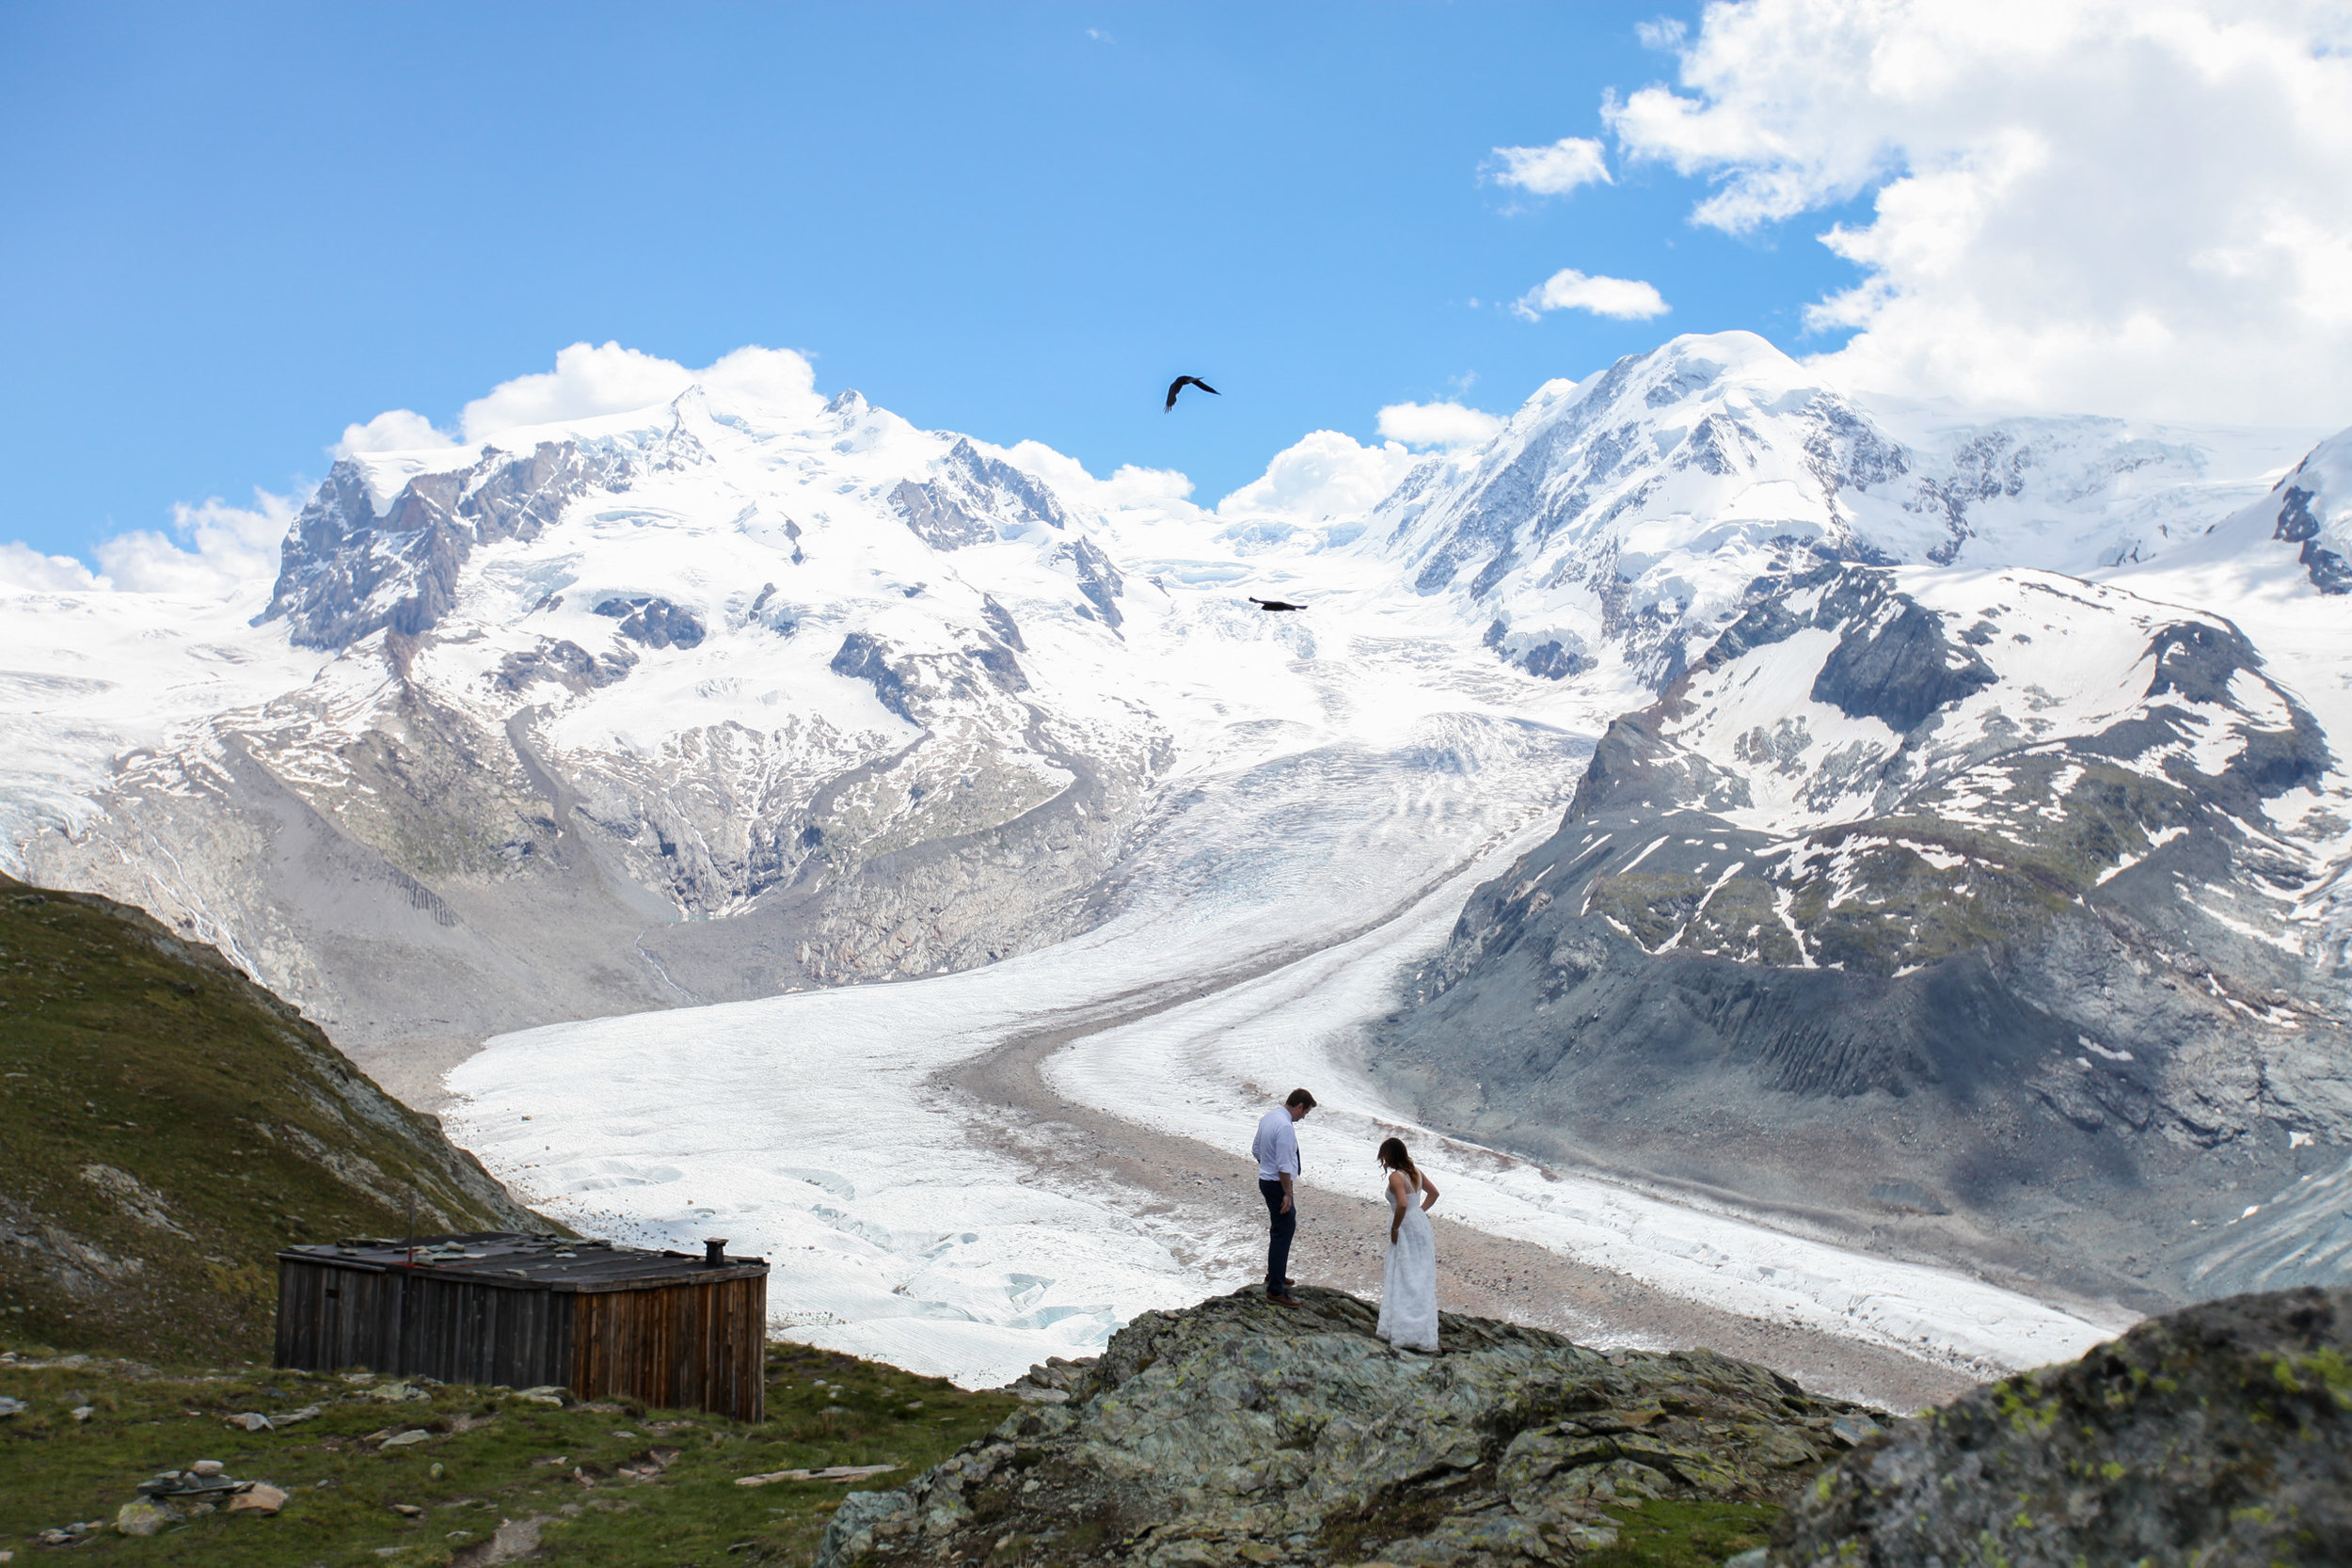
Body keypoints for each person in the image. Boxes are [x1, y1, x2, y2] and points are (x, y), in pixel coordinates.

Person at [1375, 1135, 1440, 1353]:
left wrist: (1395, 1228)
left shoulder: (1396, 1177)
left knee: (1402, 1274)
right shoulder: (1416, 1172)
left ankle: (1402, 1331)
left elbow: (1402, 1203)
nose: (1383, 1162)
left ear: (1390, 1155)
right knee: (1419, 1276)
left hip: (1405, 1228)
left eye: (1383, 1157)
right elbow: (1434, 1193)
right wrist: (1419, 1212)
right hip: (1420, 1226)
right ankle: (1420, 1331)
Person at [1252, 1088, 1315, 1306]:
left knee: (1279, 1228)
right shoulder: (1286, 1127)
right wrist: (1287, 1193)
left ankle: (1274, 1274)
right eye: (1304, 1112)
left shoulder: (1269, 1117)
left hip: (1266, 1180)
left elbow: (1256, 1150)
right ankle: (1276, 1289)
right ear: (1299, 1106)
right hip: (1277, 1184)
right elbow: (1284, 1165)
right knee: (1284, 1229)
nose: (1303, 1117)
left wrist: (1266, 1168)